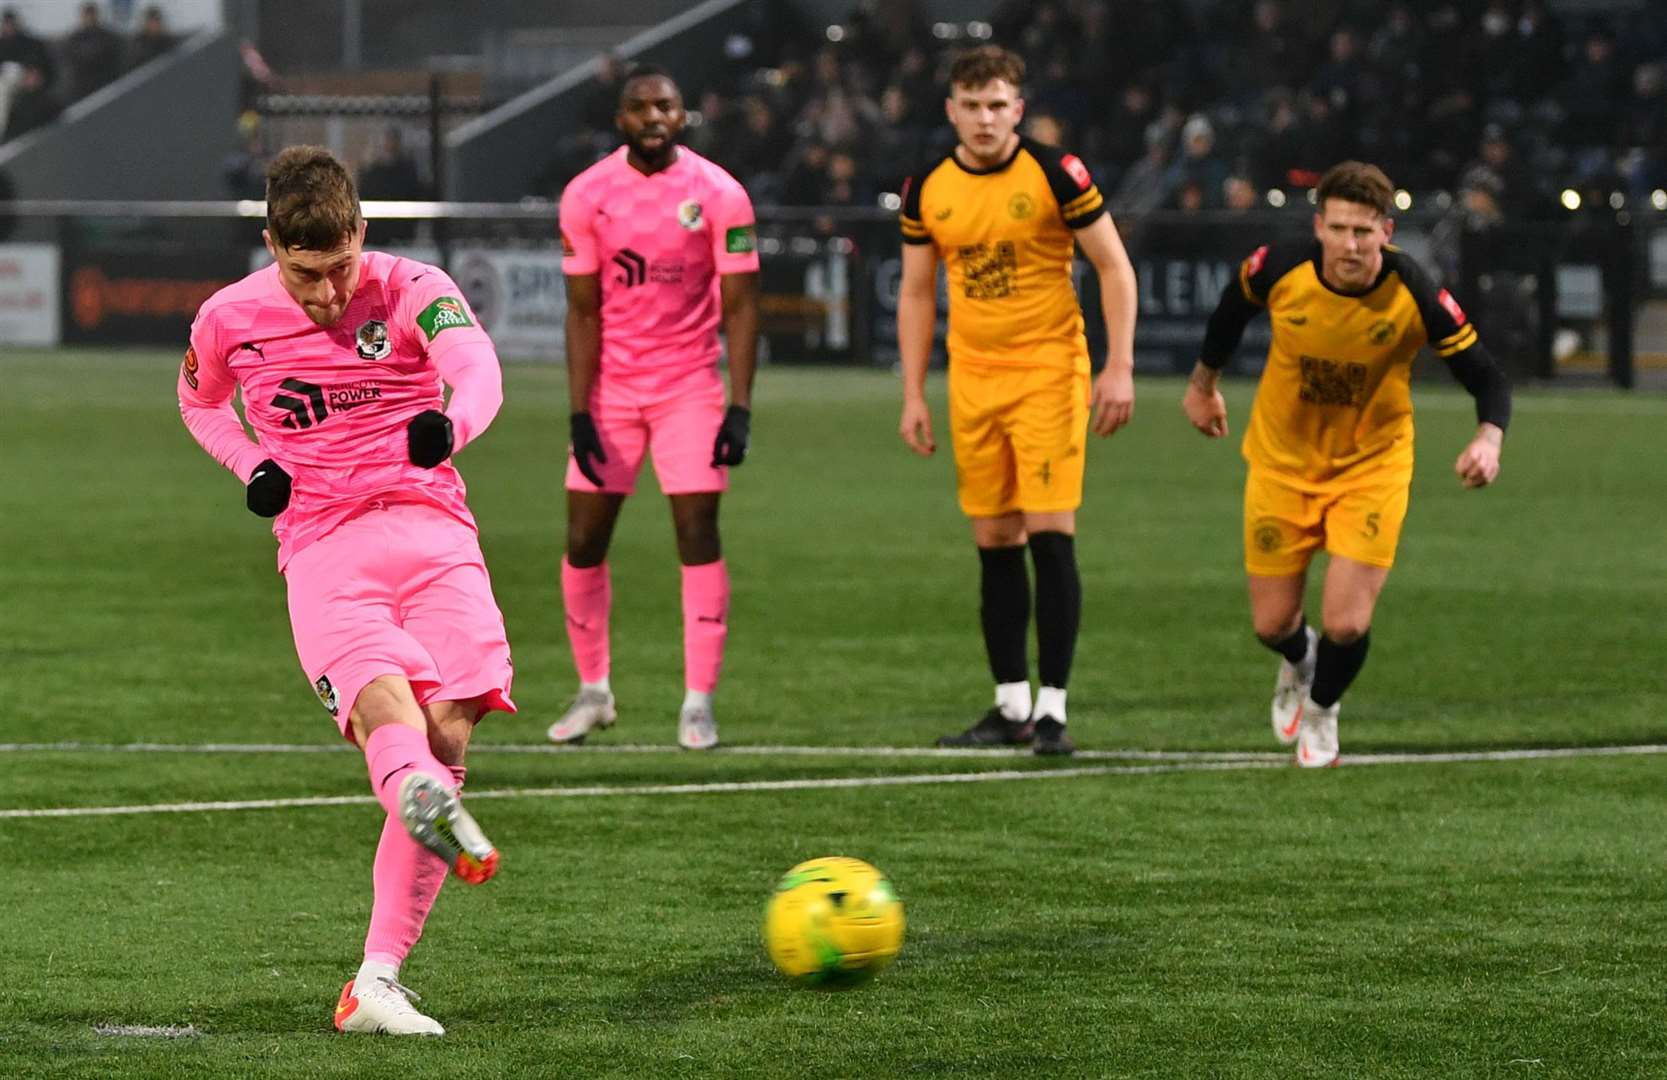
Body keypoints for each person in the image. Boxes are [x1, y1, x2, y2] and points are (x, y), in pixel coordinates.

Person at [178, 146, 515, 1034]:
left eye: (339, 269)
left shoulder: (412, 288)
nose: (327, 294)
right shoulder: (227, 317)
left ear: (362, 231)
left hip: (434, 532)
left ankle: (374, 981)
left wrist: (454, 422)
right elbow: (200, 402)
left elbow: (477, 367)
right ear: (270, 246)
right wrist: (250, 462)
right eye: (304, 274)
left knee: (445, 734)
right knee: (388, 715)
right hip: (325, 546)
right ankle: (408, 793)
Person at [1181, 160, 1511, 768]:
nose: (1351, 244)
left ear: (1387, 232)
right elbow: (1231, 310)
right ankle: (1299, 663)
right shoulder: (1280, 267)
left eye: (1364, 231)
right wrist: (1204, 384)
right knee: (1272, 622)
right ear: (1319, 228)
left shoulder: (1414, 290)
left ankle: (1324, 707)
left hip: (1372, 468)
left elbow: (1486, 376)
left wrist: (1488, 438)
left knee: (1348, 622)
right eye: (1339, 229)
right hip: (1282, 463)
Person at [896, 45, 1138, 757]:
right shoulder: (926, 189)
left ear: (1018, 109)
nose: (983, 118)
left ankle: (1053, 710)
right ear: (950, 110)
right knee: (993, 539)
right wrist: (913, 391)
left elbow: (1112, 267)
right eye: (970, 105)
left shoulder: (1055, 173)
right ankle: (1009, 706)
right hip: (972, 379)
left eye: (997, 104)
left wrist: (1118, 365)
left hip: (1047, 371)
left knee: (1048, 531)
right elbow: (915, 292)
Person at [549, 65, 760, 751]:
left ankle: (697, 702)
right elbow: (581, 311)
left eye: (664, 105)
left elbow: (742, 305)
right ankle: (593, 693)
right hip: (612, 393)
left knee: (696, 531)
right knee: (583, 541)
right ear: (620, 119)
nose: (652, 117)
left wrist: (740, 406)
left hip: (688, 390)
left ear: (683, 114)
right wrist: (579, 412)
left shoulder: (718, 193)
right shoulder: (587, 195)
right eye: (638, 107)